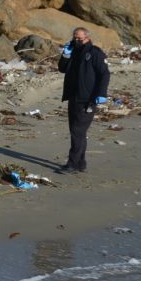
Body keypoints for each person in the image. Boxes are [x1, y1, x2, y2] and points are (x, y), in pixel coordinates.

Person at [57, 27, 110, 174]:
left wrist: (101, 94)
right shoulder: (73, 51)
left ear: (87, 38)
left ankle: (72, 164)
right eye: (75, 38)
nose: (76, 41)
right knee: (77, 131)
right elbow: (62, 69)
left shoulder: (95, 53)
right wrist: (66, 55)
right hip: (73, 97)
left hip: (88, 99)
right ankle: (81, 163)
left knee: (77, 131)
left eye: (79, 39)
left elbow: (104, 74)